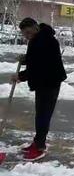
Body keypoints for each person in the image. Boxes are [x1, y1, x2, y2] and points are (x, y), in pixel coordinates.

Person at [11, 18, 67, 161]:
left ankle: (40, 147)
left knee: (43, 115)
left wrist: (20, 76)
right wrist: (26, 58)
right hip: (45, 82)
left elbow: (39, 68)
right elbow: (36, 59)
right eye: (25, 34)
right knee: (41, 114)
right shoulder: (39, 38)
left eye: (28, 33)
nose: (27, 36)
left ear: (35, 27)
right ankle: (37, 142)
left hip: (49, 82)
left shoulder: (45, 41)